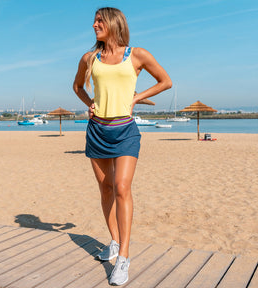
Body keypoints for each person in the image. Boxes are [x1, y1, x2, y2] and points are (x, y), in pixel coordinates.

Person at [73, 7, 172, 286]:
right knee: (105, 189)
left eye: (99, 21)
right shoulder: (89, 58)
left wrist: (137, 97)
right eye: (93, 21)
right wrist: (88, 104)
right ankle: (114, 242)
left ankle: (124, 258)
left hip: (125, 131)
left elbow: (165, 81)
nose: (94, 25)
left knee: (122, 188)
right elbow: (78, 86)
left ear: (114, 23)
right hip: (97, 130)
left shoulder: (137, 55)